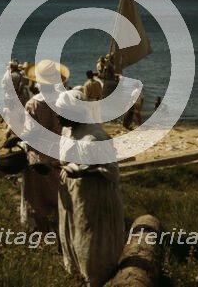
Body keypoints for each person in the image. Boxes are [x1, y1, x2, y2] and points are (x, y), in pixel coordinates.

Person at [56, 90, 125, 287]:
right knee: (74, 230)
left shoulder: (95, 137)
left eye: (61, 113)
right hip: (73, 192)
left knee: (91, 235)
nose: (57, 117)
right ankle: (76, 273)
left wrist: (84, 173)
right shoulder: (67, 131)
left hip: (94, 194)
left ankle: (97, 278)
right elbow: (66, 159)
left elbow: (112, 172)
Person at [19, 59, 70, 233]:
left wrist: (18, 137)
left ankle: (41, 233)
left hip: (39, 157)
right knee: (58, 195)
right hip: (59, 154)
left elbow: (31, 133)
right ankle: (60, 231)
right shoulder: (63, 101)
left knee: (35, 197)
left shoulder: (34, 104)